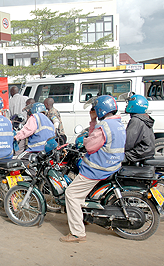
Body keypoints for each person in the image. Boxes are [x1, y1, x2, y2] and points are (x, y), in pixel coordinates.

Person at [60, 95, 125, 243]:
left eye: (95, 108)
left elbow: (89, 146)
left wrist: (92, 123)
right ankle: (83, 217)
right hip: (113, 165)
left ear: (100, 109)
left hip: (98, 168)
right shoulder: (119, 123)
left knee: (71, 194)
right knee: (80, 192)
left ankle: (77, 233)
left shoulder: (104, 126)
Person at [124, 94, 155, 163]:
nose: (126, 105)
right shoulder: (145, 118)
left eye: (128, 103)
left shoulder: (136, 120)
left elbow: (128, 143)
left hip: (137, 154)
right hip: (145, 152)